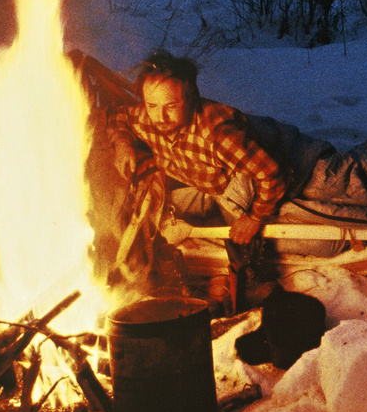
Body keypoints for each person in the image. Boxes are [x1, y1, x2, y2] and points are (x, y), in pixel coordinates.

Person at [101, 50, 287, 312]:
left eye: (171, 106)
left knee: (242, 201)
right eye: (152, 106)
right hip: (200, 182)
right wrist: (122, 143)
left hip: (231, 181)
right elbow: (118, 116)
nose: (160, 117)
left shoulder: (218, 133)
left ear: (190, 99)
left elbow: (270, 172)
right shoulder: (146, 116)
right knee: (144, 199)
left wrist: (255, 217)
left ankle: (251, 276)